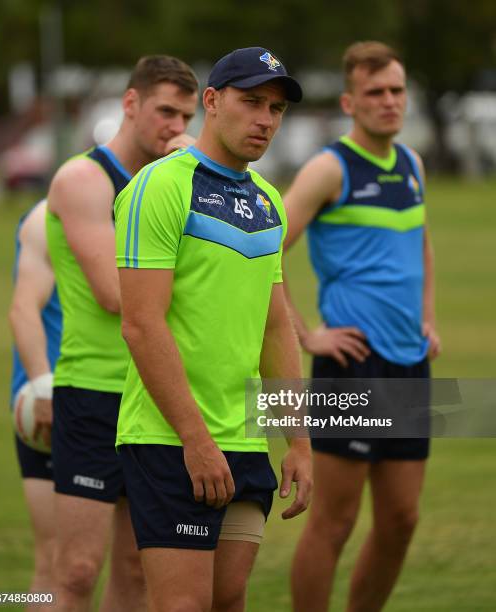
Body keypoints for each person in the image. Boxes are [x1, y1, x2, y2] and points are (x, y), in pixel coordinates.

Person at [114, 47, 313, 612]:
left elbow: (276, 328)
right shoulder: (159, 188)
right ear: (211, 101)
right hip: (169, 441)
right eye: (251, 102)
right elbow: (140, 325)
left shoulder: (270, 201)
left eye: (275, 109)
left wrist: (297, 441)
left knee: (227, 601)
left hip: (244, 441)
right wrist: (196, 442)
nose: (265, 120)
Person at [285, 41, 441, 612]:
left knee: (402, 520)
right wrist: (307, 335)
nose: (389, 101)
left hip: (409, 364)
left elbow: (421, 247)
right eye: (375, 92)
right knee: (335, 521)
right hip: (350, 368)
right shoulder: (329, 168)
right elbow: (264, 253)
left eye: (397, 90)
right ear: (350, 102)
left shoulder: (412, 164)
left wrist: (427, 316)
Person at [45, 55, 199, 611]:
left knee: (136, 570)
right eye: (164, 112)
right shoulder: (82, 178)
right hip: (92, 393)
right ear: (130, 104)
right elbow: (118, 293)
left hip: (155, 394)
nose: (176, 129)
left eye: (186, 117)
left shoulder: (177, 184)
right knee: (79, 571)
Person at [8, 199, 62, 610]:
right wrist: (43, 388)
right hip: (61, 406)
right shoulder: (53, 213)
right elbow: (23, 308)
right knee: (59, 564)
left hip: (157, 402)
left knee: (137, 564)